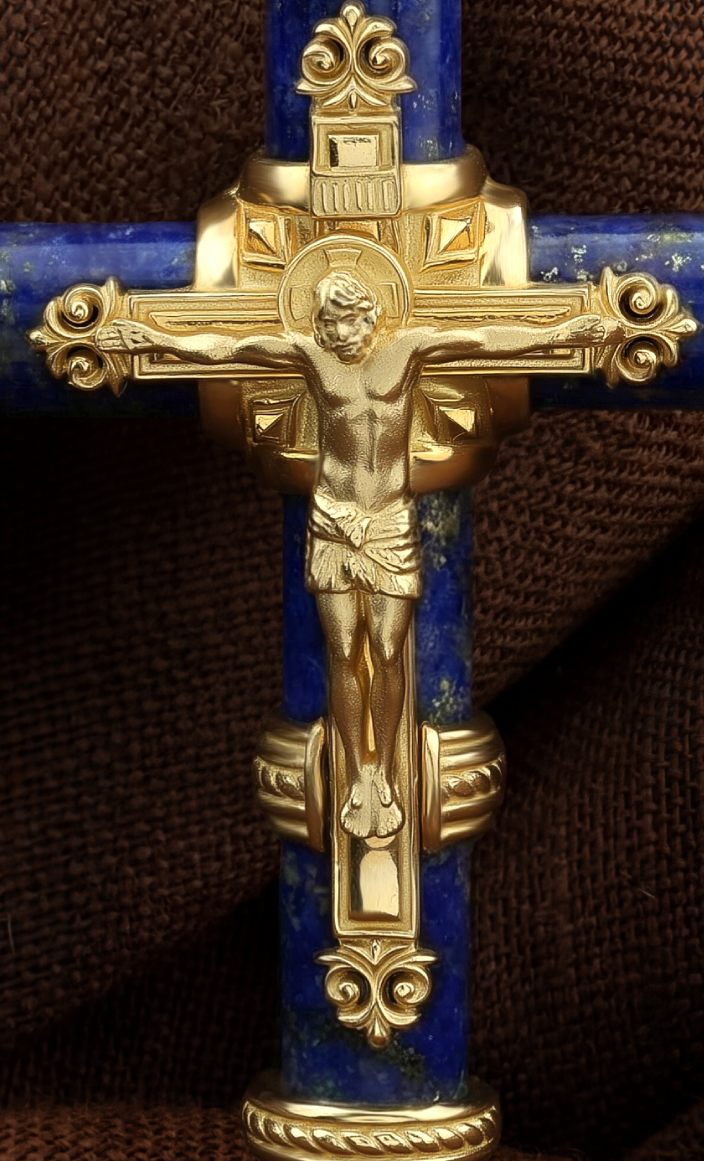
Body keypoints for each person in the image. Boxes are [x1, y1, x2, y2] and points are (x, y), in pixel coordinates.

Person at [96, 272, 616, 838]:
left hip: (388, 525)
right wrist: (150, 337)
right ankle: (360, 771)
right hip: (334, 523)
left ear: (370, 315)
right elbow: (229, 347)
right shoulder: (312, 360)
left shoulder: (407, 350)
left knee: (388, 651)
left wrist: (567, 332)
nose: (339, 333)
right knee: (344, 650)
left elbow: (485, 339)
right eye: (328, 323)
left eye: (347, 320)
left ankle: (383, 767)